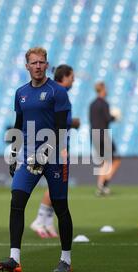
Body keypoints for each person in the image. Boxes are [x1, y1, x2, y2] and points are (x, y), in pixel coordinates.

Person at [0, 47, 73, 272]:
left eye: (41, 62)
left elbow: (60, 129)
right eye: (33, 63)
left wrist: (46, 152)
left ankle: (66, 260)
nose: (38, 66)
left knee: (61, 208)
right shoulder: (21, 93)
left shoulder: (57, 92)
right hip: (28, 158)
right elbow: (19, 125)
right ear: (27, 66)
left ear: (47, 65)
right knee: (16, 202)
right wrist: (14, 152)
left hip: (54, 157)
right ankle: (14, 260)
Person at [30, 64, 80, 239]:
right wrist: (72, 123)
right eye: (72, 77)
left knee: (57, 186)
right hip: (56, 147)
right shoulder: (58, 92)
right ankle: (39, 219)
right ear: (65, 76)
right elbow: (55, 121)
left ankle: (48, 221)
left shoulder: (55, 92)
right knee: (56, 186)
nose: (73, 80)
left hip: (56, 145)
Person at [89, 82, 121, 196]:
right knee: (114, 160)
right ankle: (103, 184)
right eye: (106, 88)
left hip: (94, 134)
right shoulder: (104, 103)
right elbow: (108, 118)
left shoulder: (92, 104)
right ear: (102, 89)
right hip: (103, 134)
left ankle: (101, 185)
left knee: (104, 161)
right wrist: (115, 117)